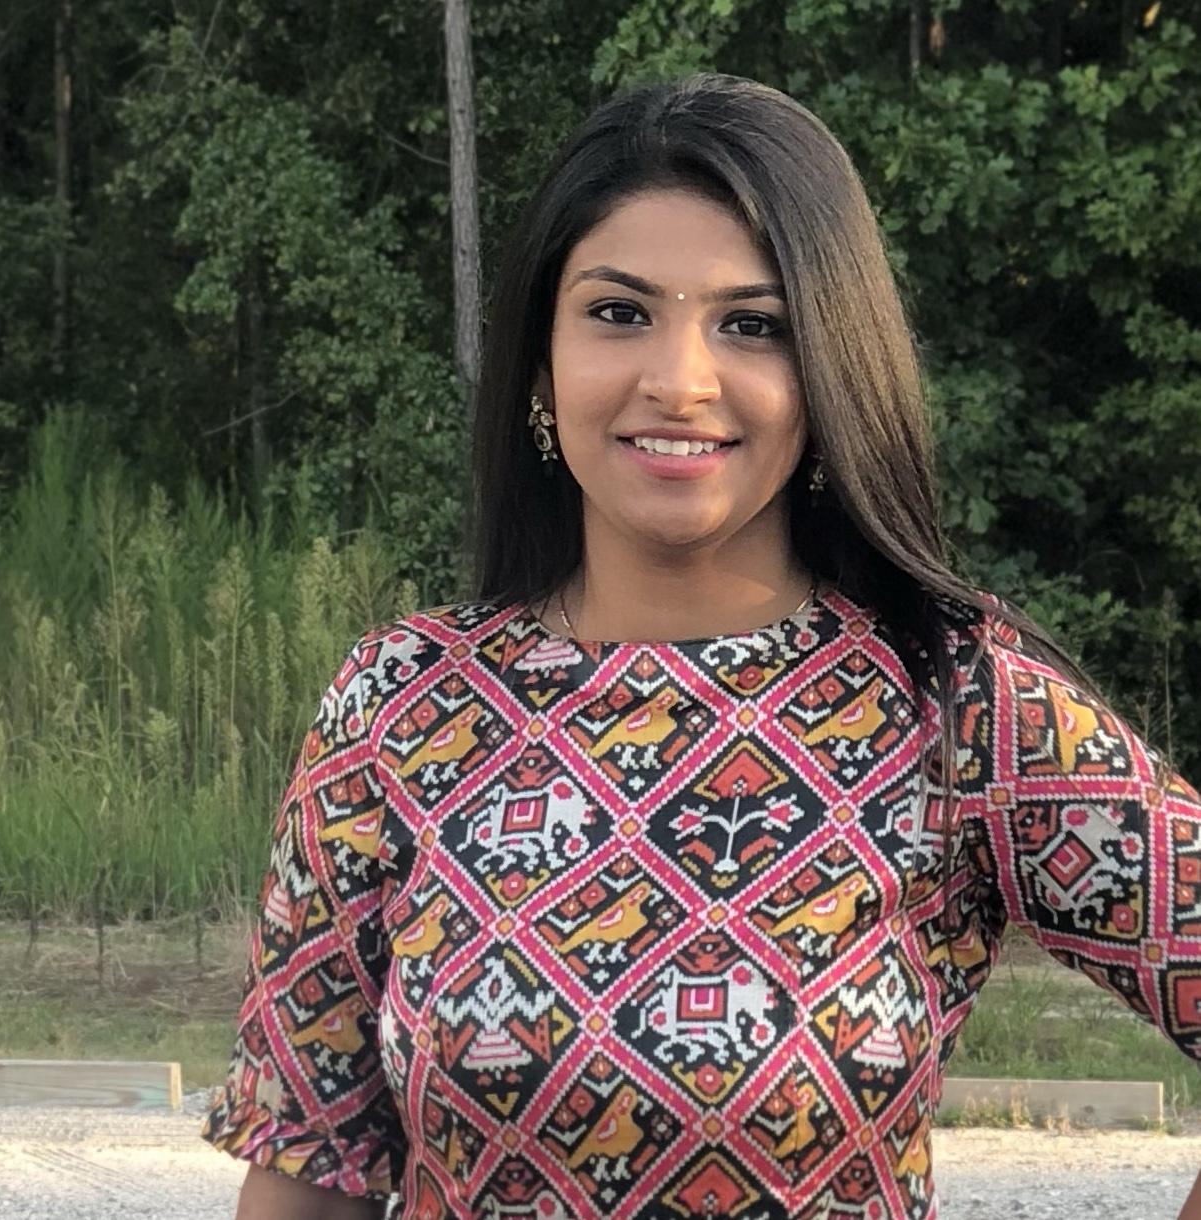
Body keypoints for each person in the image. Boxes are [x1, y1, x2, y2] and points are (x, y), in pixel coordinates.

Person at [201, 74, 1201, 1220]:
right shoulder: (400, 704)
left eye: (752, 324)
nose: (678, 381)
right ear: (539, 363)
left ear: (826, 370)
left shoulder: (948, 704)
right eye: (618, 312)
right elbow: (308, 1168)